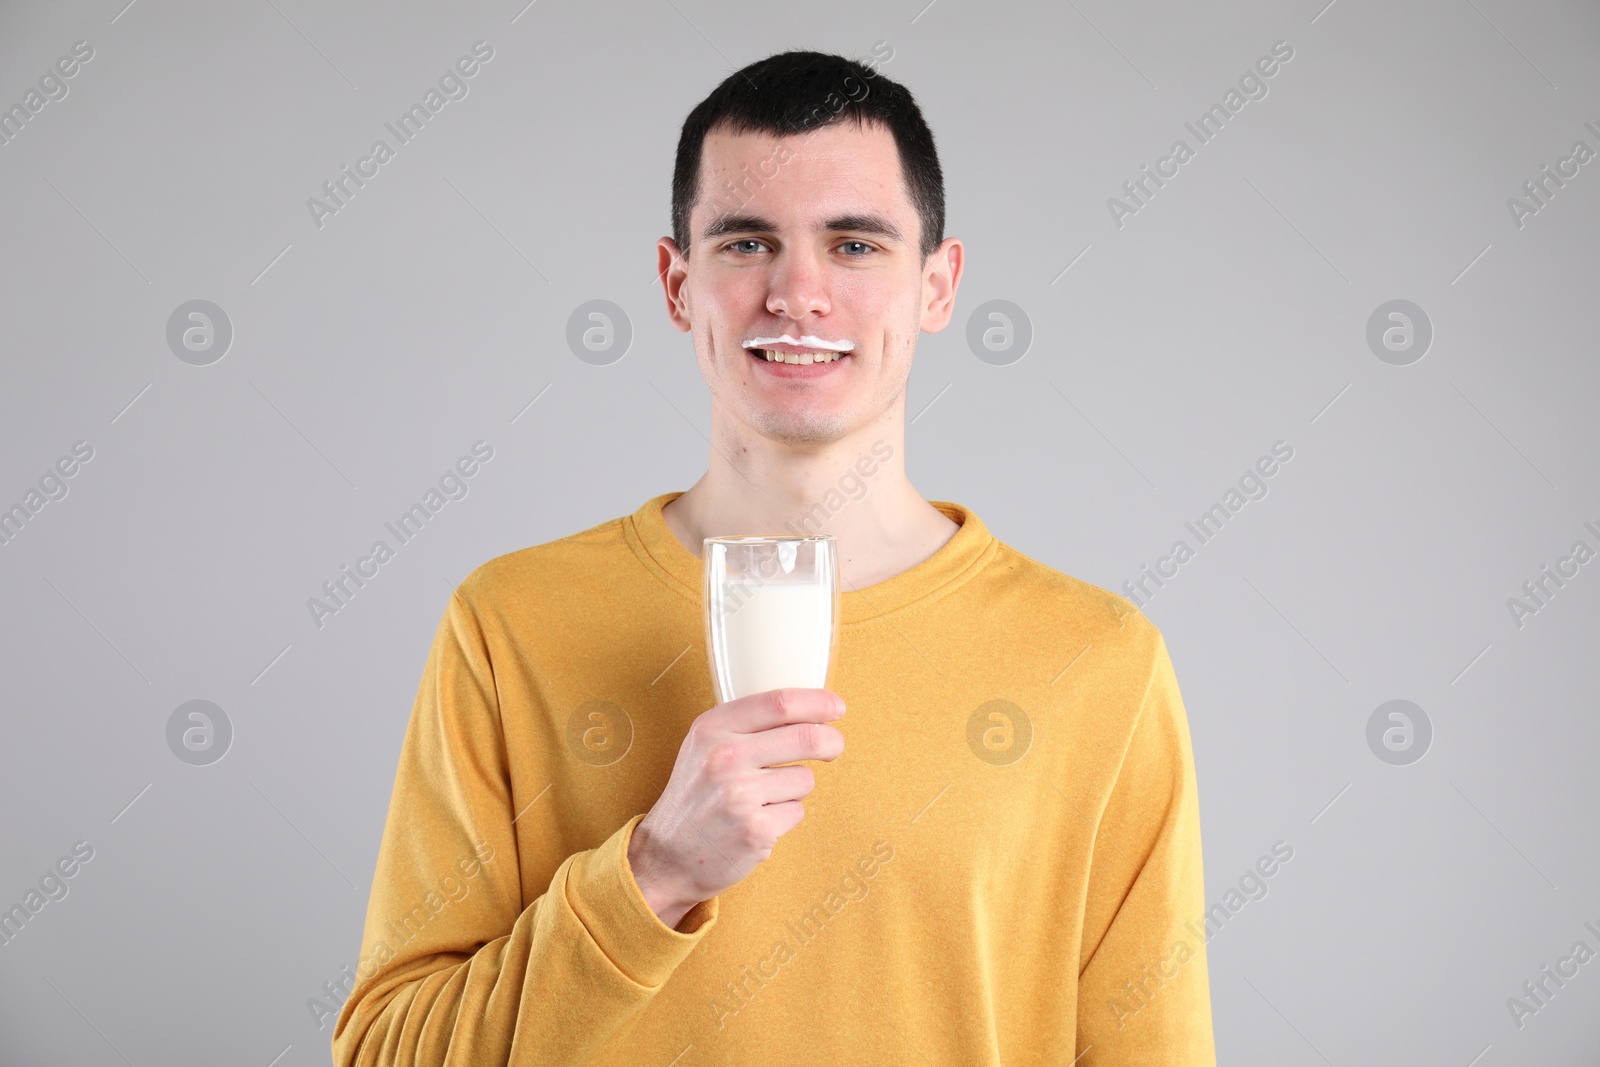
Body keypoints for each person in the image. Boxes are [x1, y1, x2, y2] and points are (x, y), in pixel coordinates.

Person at [331, 49, 1216, 1066]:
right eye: (748, 242)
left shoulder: (1097, 658)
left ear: (937, 284)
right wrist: (653, 873)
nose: (797, 293)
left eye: (853, 244)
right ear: (677, 283)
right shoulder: (509, 621)